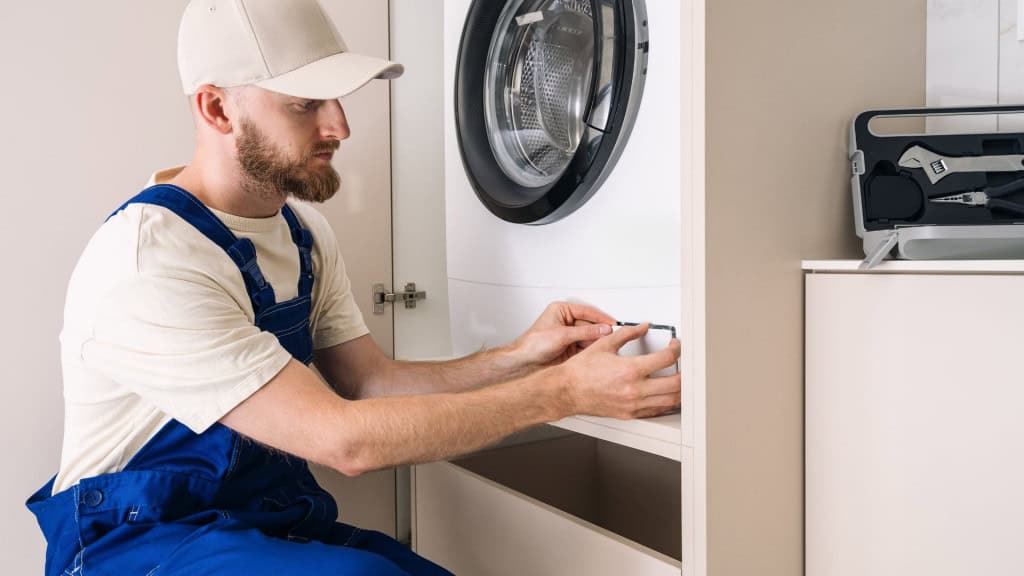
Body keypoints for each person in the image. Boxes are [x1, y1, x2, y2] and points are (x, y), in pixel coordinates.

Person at [26, 0, 681, 574]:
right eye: (306, 105)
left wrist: (519, 358)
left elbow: (370, 383)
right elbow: (344, 440)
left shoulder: (302, 231)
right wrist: (560, 393)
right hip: (133, 546)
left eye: (338, 99)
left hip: (262, 525)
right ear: (216, 108)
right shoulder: (151, 258)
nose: (339, 126)